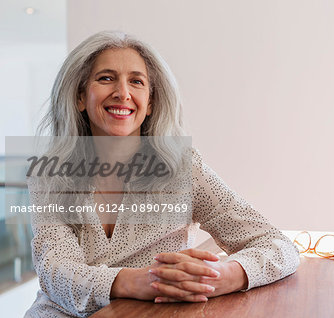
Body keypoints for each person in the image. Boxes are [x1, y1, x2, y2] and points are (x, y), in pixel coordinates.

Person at [25, 31, 300, 317]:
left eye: (136, 81)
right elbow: (56, 270)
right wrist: (134, 281)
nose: (123, 93)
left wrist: (219, 276)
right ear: (81, 97)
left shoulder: (183, 170)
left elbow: (276, 244)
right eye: (106, 78)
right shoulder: (50, 174)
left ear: (151, 102)